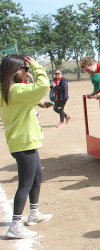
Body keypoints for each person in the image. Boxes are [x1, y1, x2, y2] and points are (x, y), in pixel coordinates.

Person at [0, 55, 53, 239]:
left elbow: (25, 99)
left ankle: (34, 214)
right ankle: (15, 225)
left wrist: (36, 102)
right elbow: (43, 85)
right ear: (17, 71)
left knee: (37, 176)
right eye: (25, 69)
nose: (27, 71)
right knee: (25, 183)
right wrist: (36, 66)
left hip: (22, 142)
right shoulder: (17, 90)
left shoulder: (6, 90)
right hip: (24, 142)